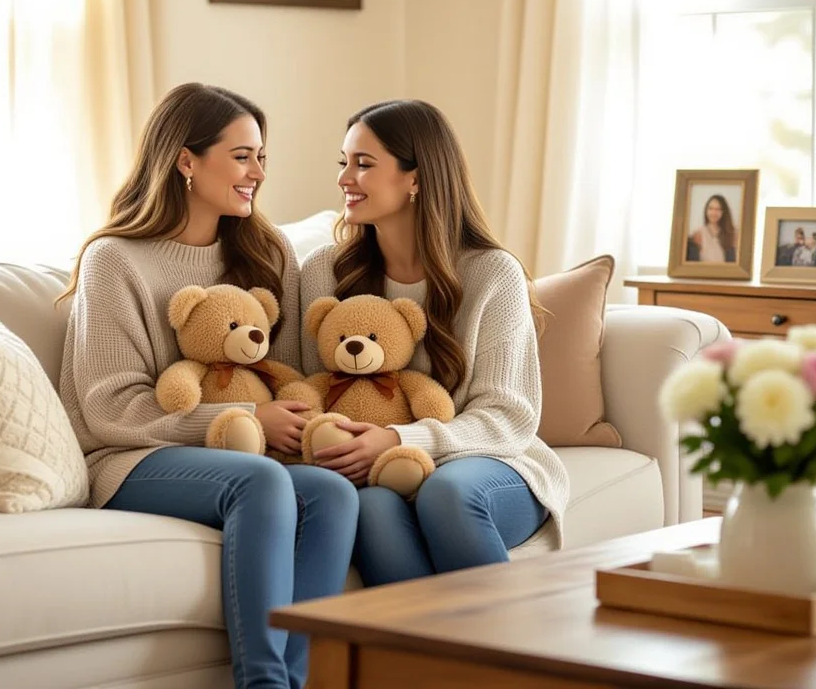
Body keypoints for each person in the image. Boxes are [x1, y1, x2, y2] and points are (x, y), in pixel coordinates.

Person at [57, 83, 359, 689]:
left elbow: (294, 377)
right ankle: (263, 683)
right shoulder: (115, 259)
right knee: (264, 481)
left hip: (249, 453)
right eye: (242, 155)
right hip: (130, 458)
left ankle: (299, 682)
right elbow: (108, 408)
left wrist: (302, 423)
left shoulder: (267, 254)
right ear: (186, 160)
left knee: (332, 493)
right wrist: (242, 418)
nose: (257, 172)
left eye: (262, 157)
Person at [299, 99, 569, 588]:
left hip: (491, 464)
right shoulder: (324, 271)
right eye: (344, 162)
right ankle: (431, 662)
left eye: (363, 164)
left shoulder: (490, 272)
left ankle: (507, 661)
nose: (344, 178)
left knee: (445, 493)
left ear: (416, 179)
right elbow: (310, 386)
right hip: (376, 472)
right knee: (372, 506)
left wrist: (402, 439)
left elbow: (508, 417)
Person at [685, 193, 738, 263]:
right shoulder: (698, 233)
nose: (714, 213)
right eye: (710, 208)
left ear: (724, 212)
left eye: (718, 209)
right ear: (706, 210)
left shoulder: (732, 233)